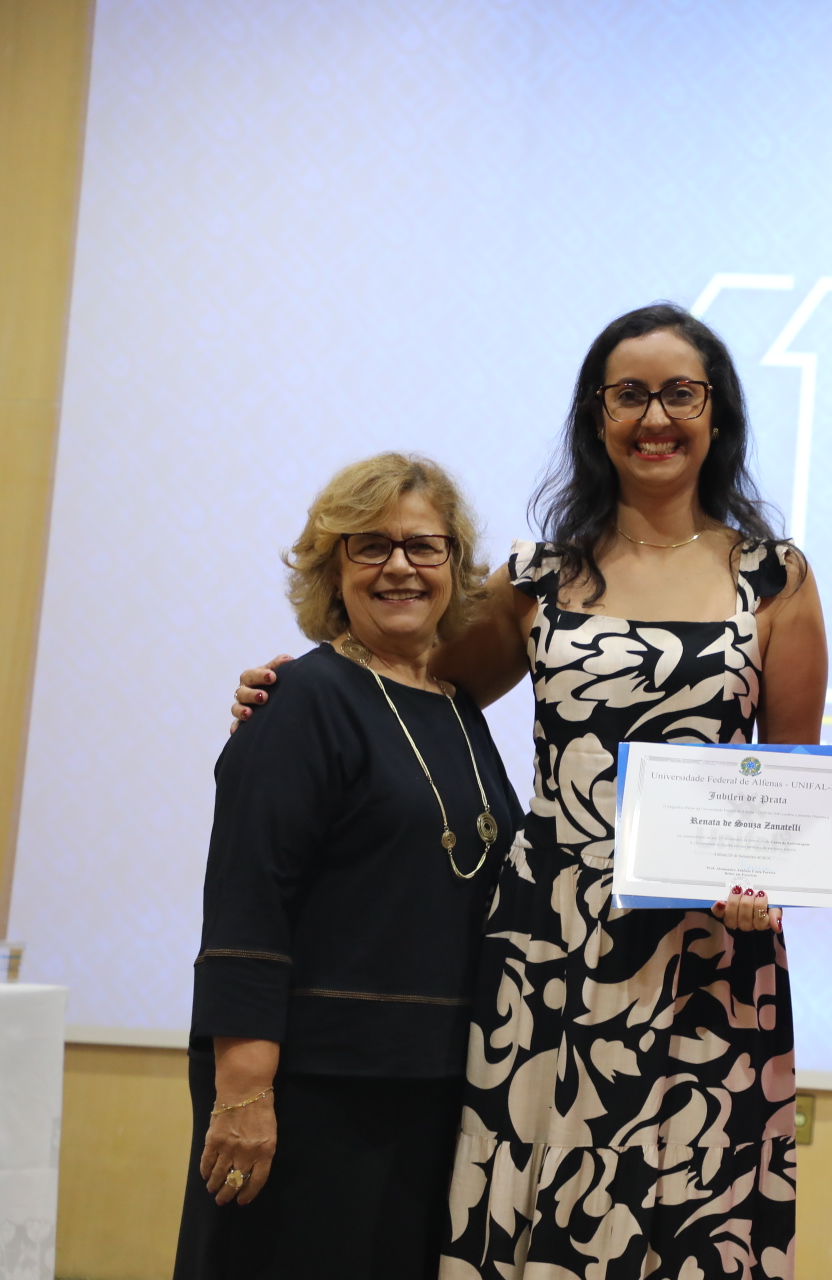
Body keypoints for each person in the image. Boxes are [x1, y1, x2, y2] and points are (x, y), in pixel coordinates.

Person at [231, 304, 827, 1278]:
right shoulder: (538, 579)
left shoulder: (775, 579)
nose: (655, 417)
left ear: (718, 413)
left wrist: (766, 880)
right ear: (596, 416)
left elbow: (790, 793)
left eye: (680, 393)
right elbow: (405, 680)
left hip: (709, 961)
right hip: (549, 946)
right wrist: (294, 687)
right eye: (628, 395)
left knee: (693, 1222)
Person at [177, 453, 524, 1279]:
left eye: (425, 546)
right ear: (333, 569)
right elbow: (249, 899)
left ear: (454, 565)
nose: (400, 566)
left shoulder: (457, 707)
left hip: (435, 1085)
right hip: (313, 1090)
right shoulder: (301, 699)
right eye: (371, 546)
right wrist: (245, 1090)